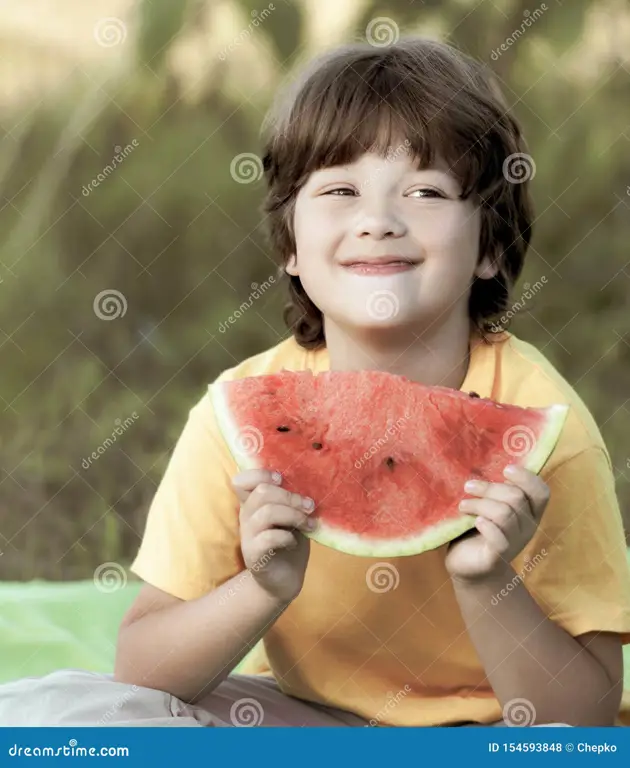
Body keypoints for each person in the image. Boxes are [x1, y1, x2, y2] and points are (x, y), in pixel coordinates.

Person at [2, 35, 628, 728]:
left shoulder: (548, 429)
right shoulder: (235, 414)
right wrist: (261, 588)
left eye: (425, 190)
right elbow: (144, 672)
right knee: (54, 711)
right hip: (308, 720)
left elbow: (586, 719)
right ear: (293, 247)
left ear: (488, 247)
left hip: (494, 737)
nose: (378, 221)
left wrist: (487, 581)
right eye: (339, 190)